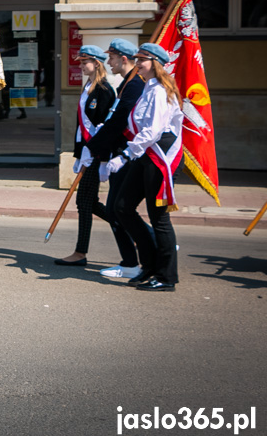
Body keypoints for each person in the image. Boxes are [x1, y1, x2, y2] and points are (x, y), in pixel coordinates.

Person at [105, 43, 183, 291]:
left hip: (158, 155)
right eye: (137, 58)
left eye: (143, 59)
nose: (138, 62)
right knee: (122, 207)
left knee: (159, 217)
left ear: (156, 63)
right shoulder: (149, 87)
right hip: (145, 153)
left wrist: (126, 155)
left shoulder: (160, 90)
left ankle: (166, 276)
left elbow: (153, 131)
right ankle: (148, 266)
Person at [86, 38, 147, 279]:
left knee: (118, 209)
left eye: (110, 57)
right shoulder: (127, 83)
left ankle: (147, 250)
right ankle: (132, 261)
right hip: (119, 154)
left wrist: (95, 148)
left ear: (123, 58)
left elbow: (120, 121)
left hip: (127, 155)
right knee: (116, 210)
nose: (108, 62)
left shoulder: (134, 84)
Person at [54, 45, 115, 267]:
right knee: (87, 202)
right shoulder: (88, 87)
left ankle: (81, 252)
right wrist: (79, 153)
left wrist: (98, 156)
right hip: (87, 153)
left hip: (96, 154)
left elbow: (104, 127)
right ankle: (130, 226)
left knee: (85, 202)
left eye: (84, 62)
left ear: (97, 63)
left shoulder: (105, 91)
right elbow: (82, 127)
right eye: (80, 61)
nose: (80, 65)